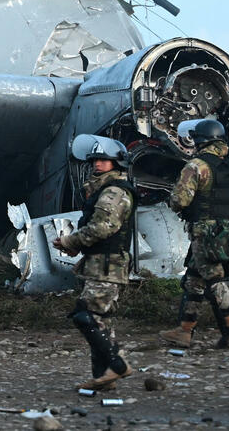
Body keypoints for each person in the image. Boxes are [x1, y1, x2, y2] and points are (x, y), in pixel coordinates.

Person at [53, 134, 135, 391]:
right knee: (100, 320)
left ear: (117, 163)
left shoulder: (113, 192)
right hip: (101, 263)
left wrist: (71, 242)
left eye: (104, 160)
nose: (97, 164)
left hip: (108, 264)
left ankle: (118, 365)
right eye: (95, 160)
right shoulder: (103, 189)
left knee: (85, 316)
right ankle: (103, 377)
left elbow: (102, 227)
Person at [159, 119, 229, 349]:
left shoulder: (196, 166)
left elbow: (180, 200)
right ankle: (185, 331)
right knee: (194, 282)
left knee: (215, 280)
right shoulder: (226, 166)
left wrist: (173, 200)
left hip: (203, 233)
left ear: (200, 140)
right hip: (222, 231)